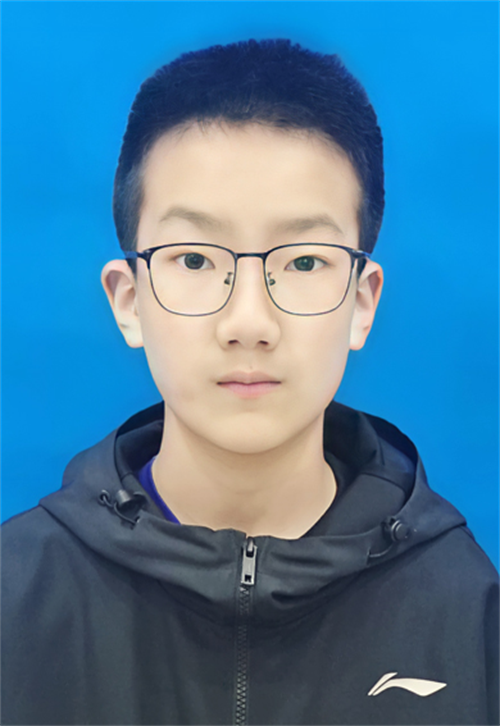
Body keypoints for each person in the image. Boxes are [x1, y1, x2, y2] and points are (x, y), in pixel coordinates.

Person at [1, 38, 498, 726]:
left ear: (362, 302)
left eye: (303, 262)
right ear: (128, 300)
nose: (248, 322)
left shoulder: (468, 611)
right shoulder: (16, 594)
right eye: (195, 259)